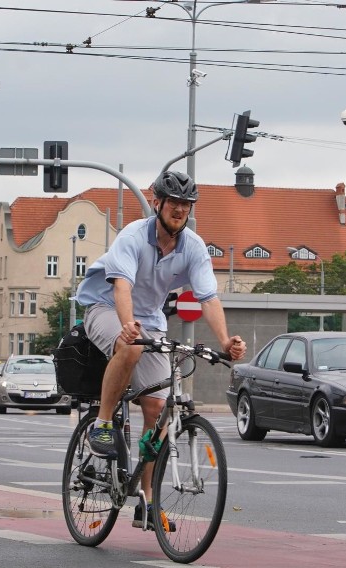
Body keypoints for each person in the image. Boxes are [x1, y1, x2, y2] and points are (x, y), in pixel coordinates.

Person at [75, 170, 247, 529]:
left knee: (159, 407)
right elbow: (121, 287)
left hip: (150, 318)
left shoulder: (193, 247)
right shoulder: (133, 236)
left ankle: (147, 502)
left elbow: (208, 298)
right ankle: (102, 425)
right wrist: (127, 326)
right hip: (106, 308)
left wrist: (224, 342)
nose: (180, 209)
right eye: (175, 203)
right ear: (158, 203)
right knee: (131, 347)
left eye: (187, 204)